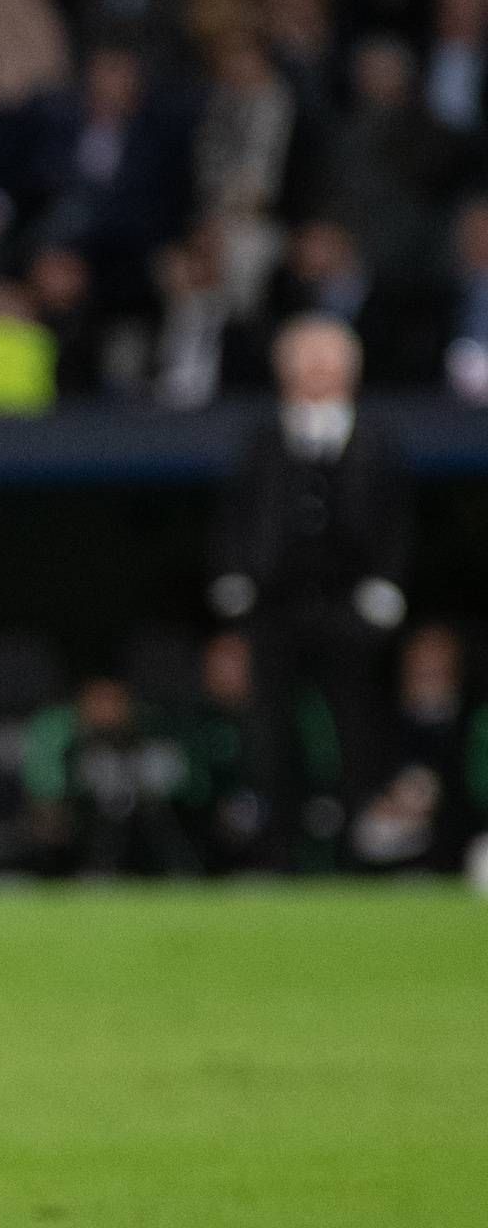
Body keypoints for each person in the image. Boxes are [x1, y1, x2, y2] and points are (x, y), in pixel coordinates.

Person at [209, 315, 412, 866]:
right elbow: (236, 517)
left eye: (329, 360)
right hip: (275, 606)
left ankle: (356, 847)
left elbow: (397, 521)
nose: (318, 371)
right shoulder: (262, 440)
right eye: (307, 360)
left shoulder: (375, 440)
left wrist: (387, 587)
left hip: (350, 604)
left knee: (355, 725)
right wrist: (235, 578)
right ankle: (275, 848)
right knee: (270, 729)